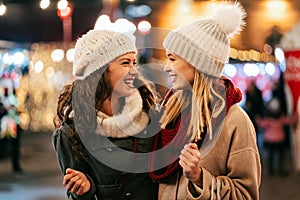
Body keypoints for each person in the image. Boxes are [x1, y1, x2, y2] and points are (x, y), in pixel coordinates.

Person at [149, 2, 261, 200]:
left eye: (173, 59)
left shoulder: (235, 121)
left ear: (197, 63)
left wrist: (201, 178)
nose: (166, 67)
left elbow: (246, 195)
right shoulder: (168, 114)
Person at [52, 28, 158, 200]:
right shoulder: (71, 134)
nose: (134, 71)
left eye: (134, 63)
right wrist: (85, 190)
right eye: (125, 63)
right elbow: (77, 195)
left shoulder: (150, 115)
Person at [256, 98, 298, 176]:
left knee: (271, 156)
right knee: (281, 156)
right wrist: (296, 115)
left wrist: (257, 119)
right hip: (280, 139)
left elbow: (260, 124)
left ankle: (271, 171)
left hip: (269, 140)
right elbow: (290, 121)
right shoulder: (281, 119)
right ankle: (280, 170)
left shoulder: (268, 120)